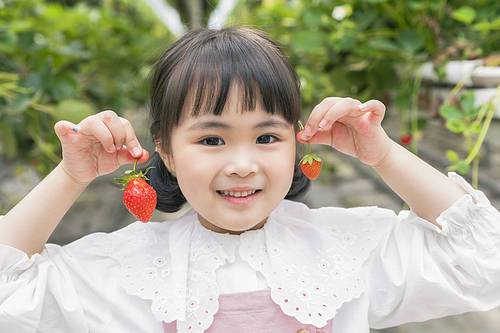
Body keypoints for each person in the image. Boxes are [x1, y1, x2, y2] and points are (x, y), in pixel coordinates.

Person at [0, 27, 499, 333]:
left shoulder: (344, 252)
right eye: (212, 140)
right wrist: (70, 174)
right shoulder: (129, 270)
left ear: (297, 144)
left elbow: (484, 262)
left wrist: (385, 153)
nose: (243, 164)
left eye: (266, 138)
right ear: (166, 151)